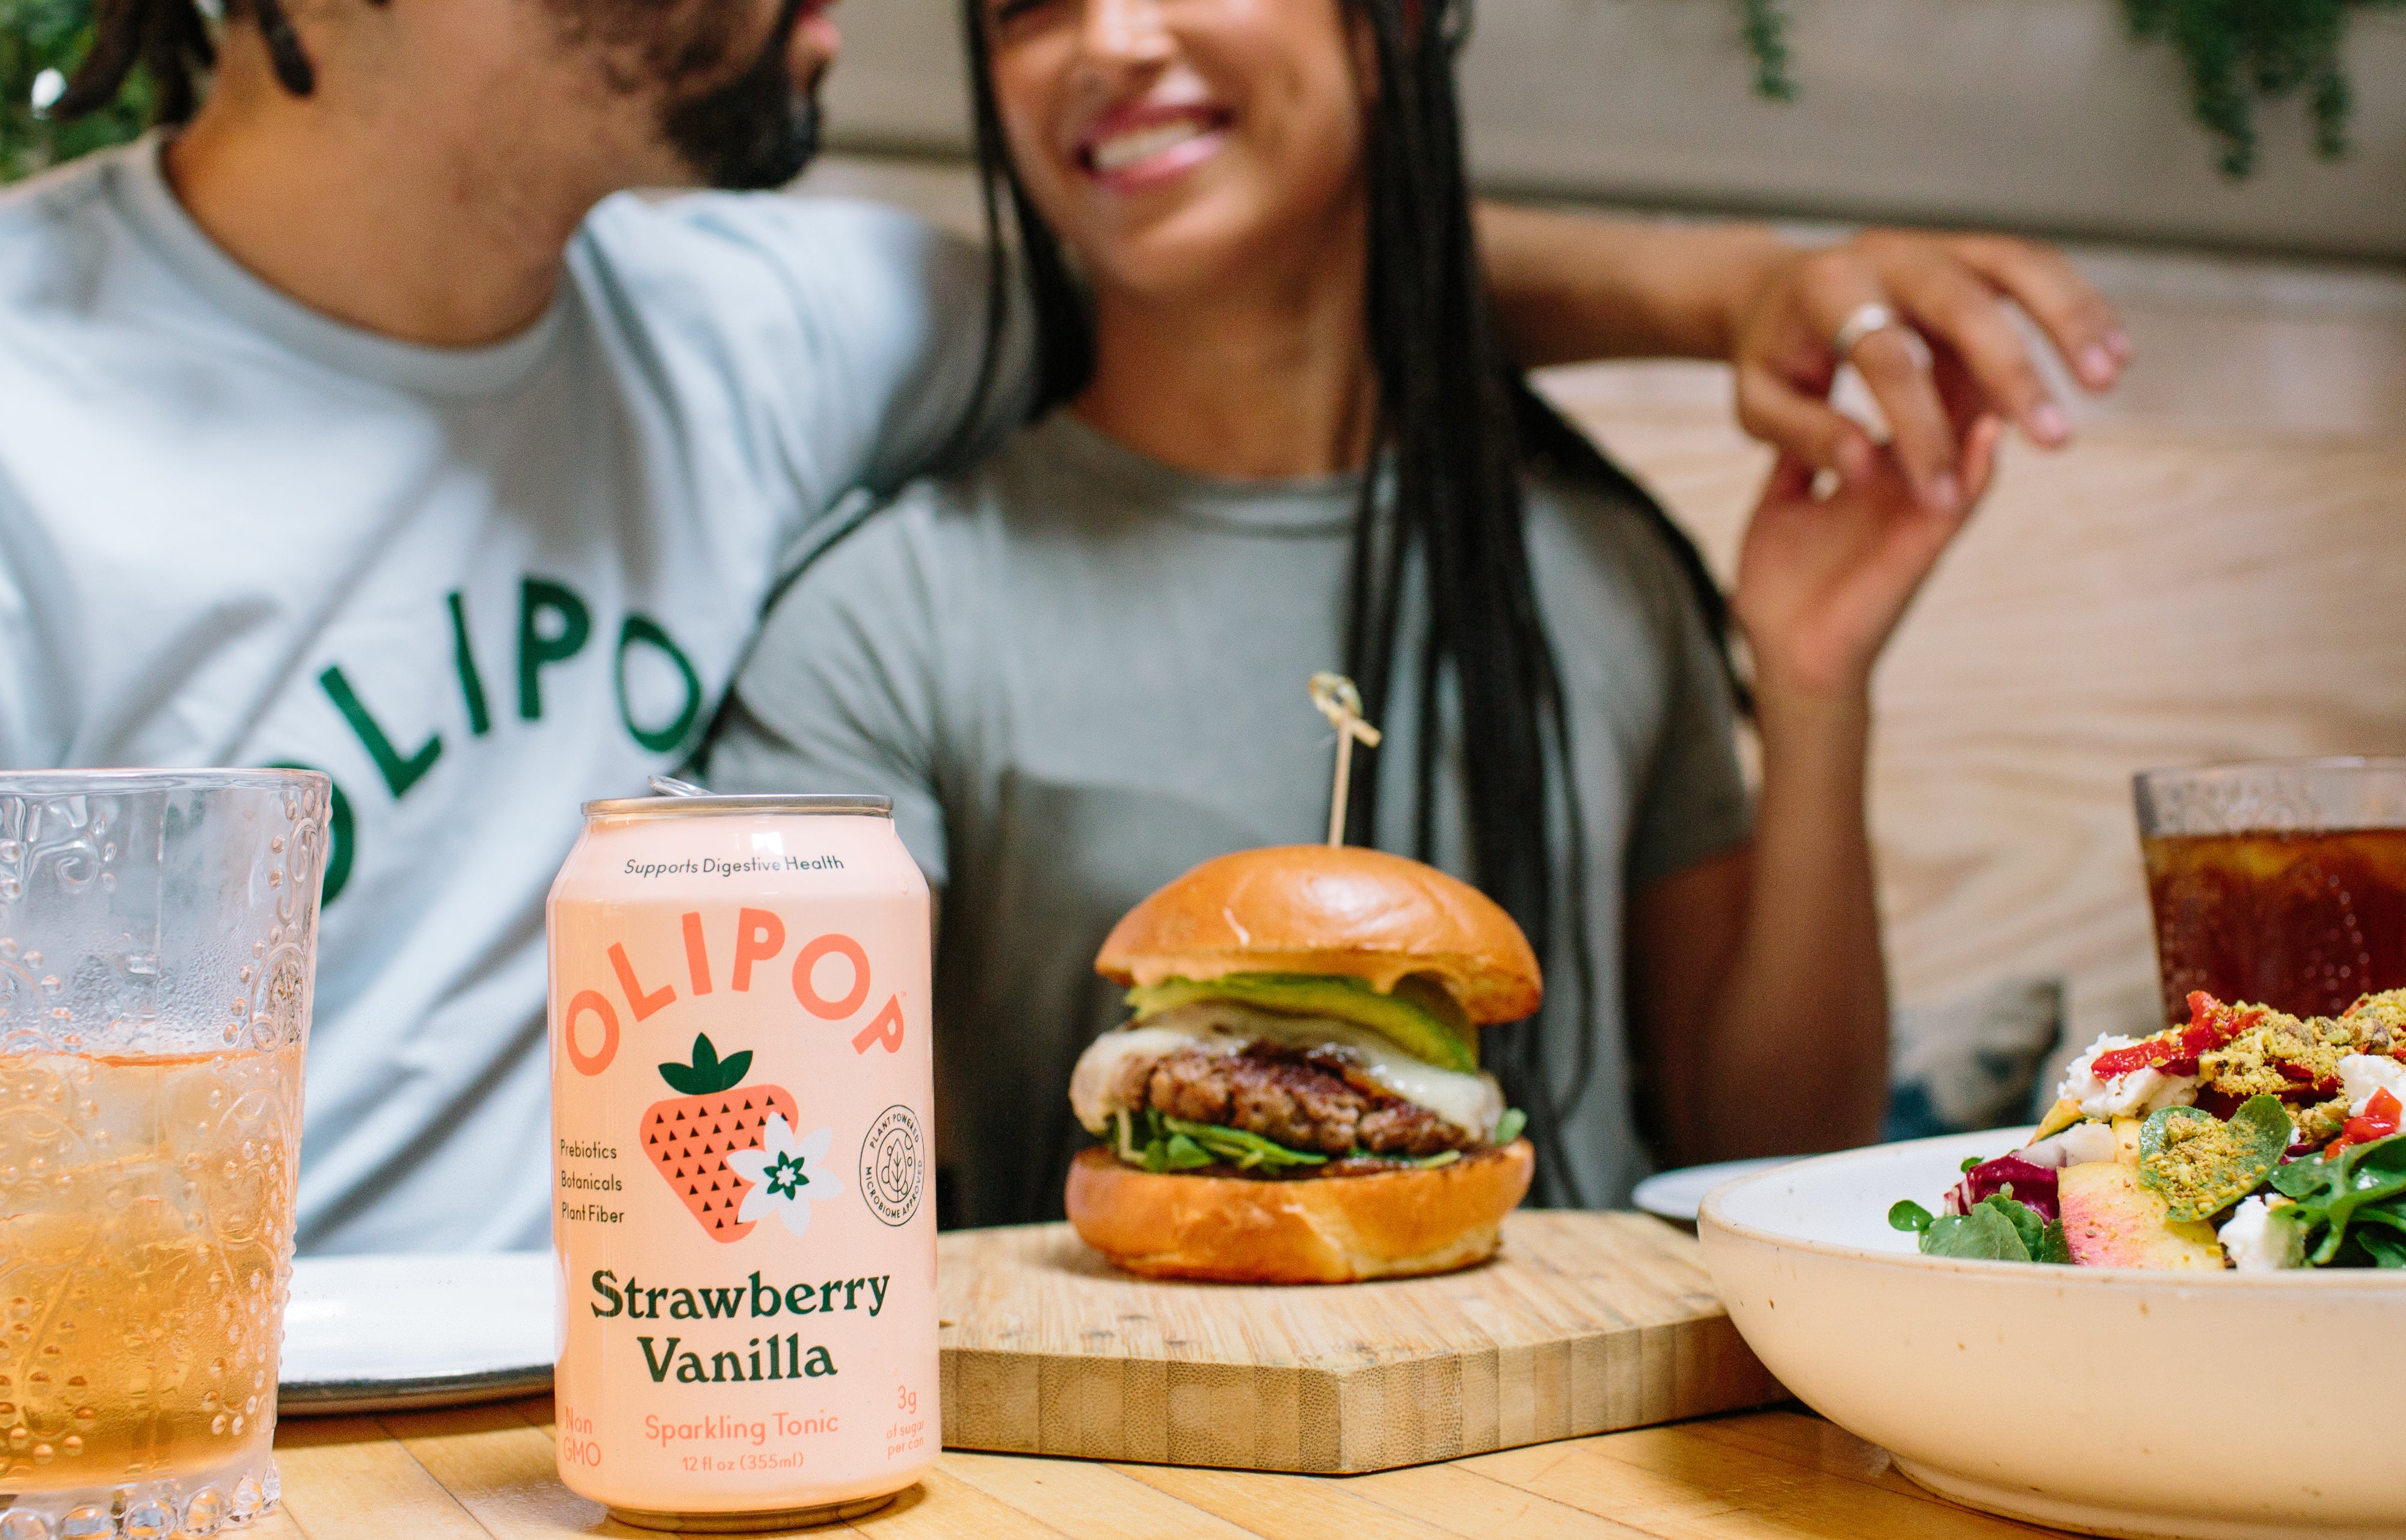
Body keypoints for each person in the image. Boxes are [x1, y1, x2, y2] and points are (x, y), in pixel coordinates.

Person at [0, 0, 2119, 1253]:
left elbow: (1262, 242)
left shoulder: (777, 324)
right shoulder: (35, 401)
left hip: (666, 1409)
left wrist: (1732, 294)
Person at [706, 0, 2078, 1222]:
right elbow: (798, 1186)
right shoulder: (876, 618)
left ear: (1391, 25)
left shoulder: (1594, 563)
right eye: (1026, 9)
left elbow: (1772, 1157)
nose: (1108, 38)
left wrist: (1813, 681)